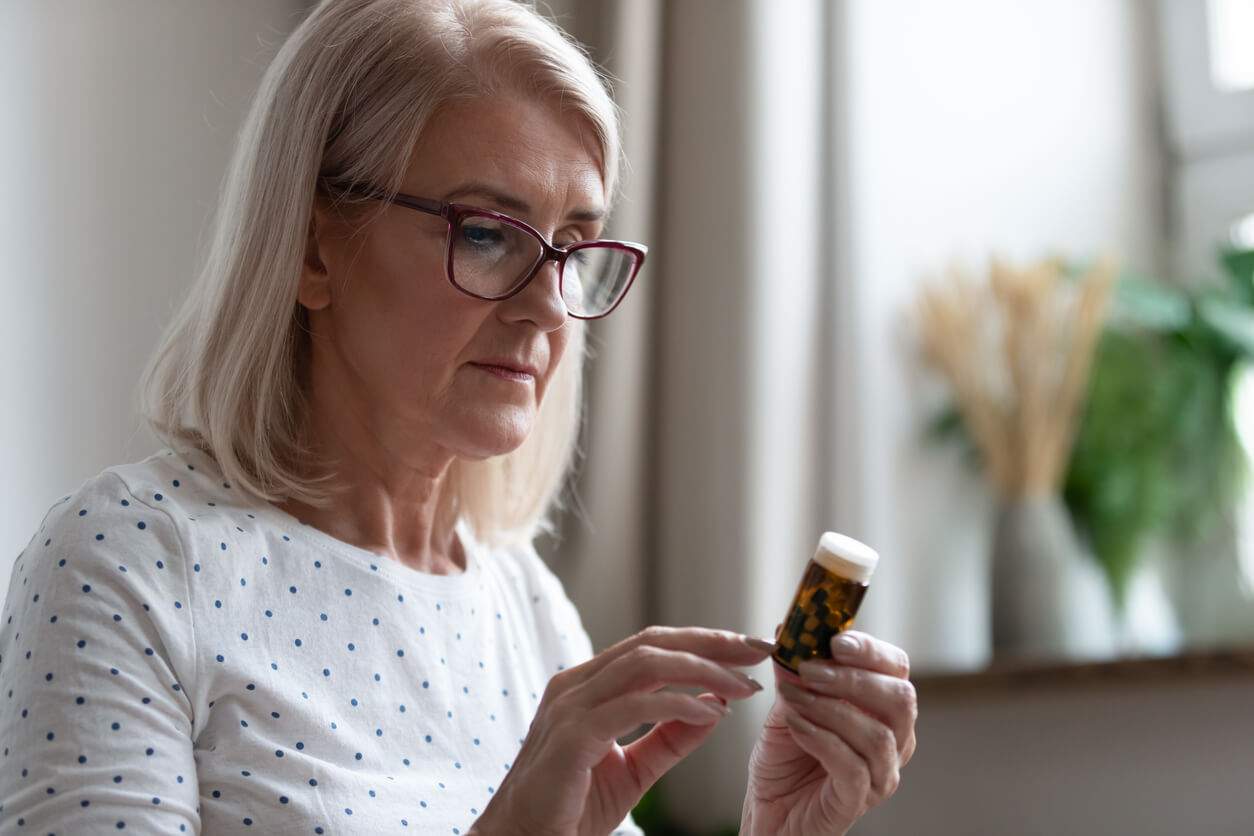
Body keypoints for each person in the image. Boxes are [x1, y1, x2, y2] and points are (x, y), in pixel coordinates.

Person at [0, 0, 917, 833]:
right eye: (486, 234)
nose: (551, 310)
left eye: (571, 249)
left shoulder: (522, 607)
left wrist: (779, 828)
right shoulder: (127, 570)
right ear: (314, 246)